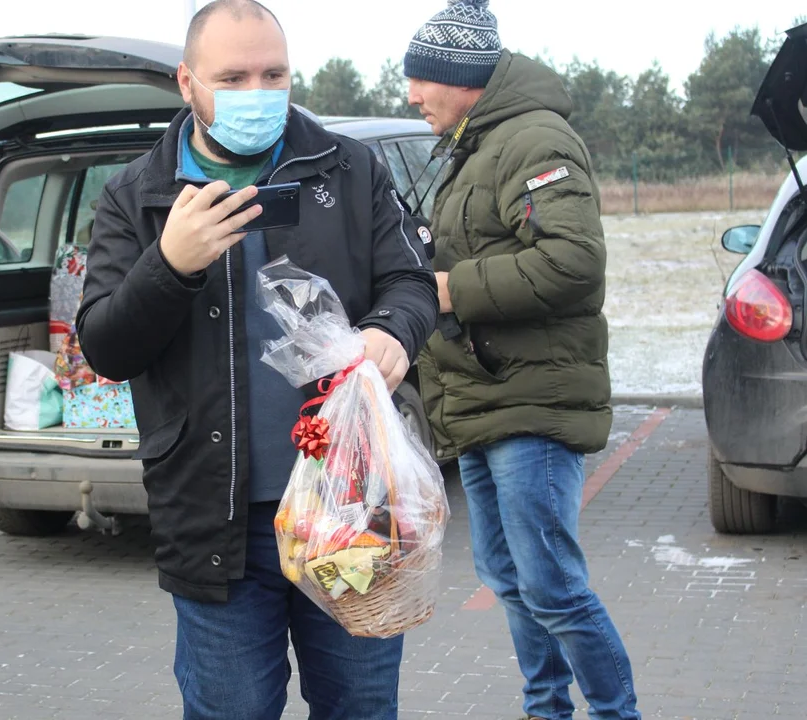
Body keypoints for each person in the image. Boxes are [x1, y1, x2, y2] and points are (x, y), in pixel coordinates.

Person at [76, 1, 439, 717]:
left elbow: (411, 279)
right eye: (233, 77)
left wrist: (395, 330)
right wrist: (169, 265)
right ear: (187, 83)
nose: (257, 92)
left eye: (274, 74)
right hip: (217, 524)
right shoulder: (137, 196)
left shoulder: (348, 167)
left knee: (362, 706)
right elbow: (105, 346)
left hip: (352, 505)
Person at [402, 2, 641, 719]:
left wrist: (450, 288)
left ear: (460, 76)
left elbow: (572, 262)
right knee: (508, 576)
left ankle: (613, 712)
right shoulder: (480, 145)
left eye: (419, 79)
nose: (411, 96)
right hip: (485, 397)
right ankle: (547, 711)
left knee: (551, 586)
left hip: (530, 404)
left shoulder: (535, 140)